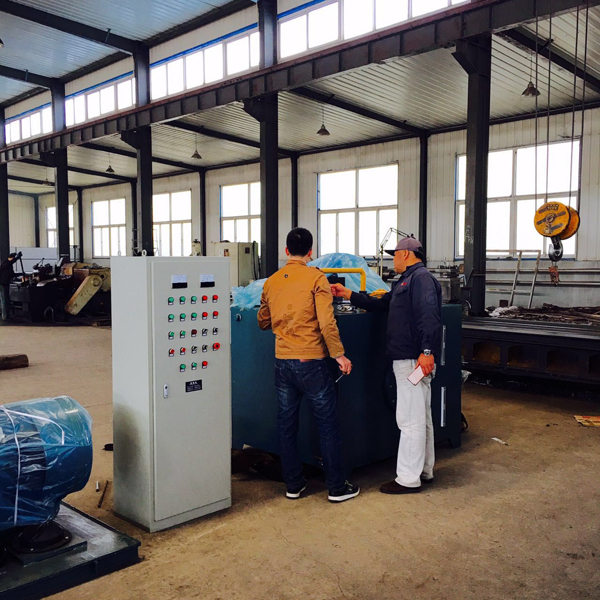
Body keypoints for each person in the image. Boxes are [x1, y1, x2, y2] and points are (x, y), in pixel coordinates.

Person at [331, 237, 442, 495]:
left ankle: (408, 479)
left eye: (395, 255)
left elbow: (429, 317)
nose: (393, 260)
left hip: (413, 359)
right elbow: (382, 304)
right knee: (421, 417)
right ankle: (424, 470)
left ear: (406, 254)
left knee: (409, 419)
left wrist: (427, 352)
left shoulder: (420, 279)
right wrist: (348, 294)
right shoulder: (406, 281)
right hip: (412, 358)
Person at [258, 228, 360, 503]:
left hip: (283, 362)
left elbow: (263, 321)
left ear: (286, 251)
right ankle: (336, 488)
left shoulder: (272, 281)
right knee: (328, 426)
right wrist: (339, 355)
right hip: (311, 362)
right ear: (311, 252)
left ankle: (293, 485)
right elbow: (327, 322)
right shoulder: (317, 278)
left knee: (286, 425)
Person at [0, 253, 17, 322]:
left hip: (6, 284)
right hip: (2, 284)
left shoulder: (9, 265)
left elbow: (12, 274)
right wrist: (16, 258)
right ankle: (4, 316)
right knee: (4, 300)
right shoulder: (4, 263)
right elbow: (7, 265)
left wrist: (20, 274)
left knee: (6, 300)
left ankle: (7, 315)